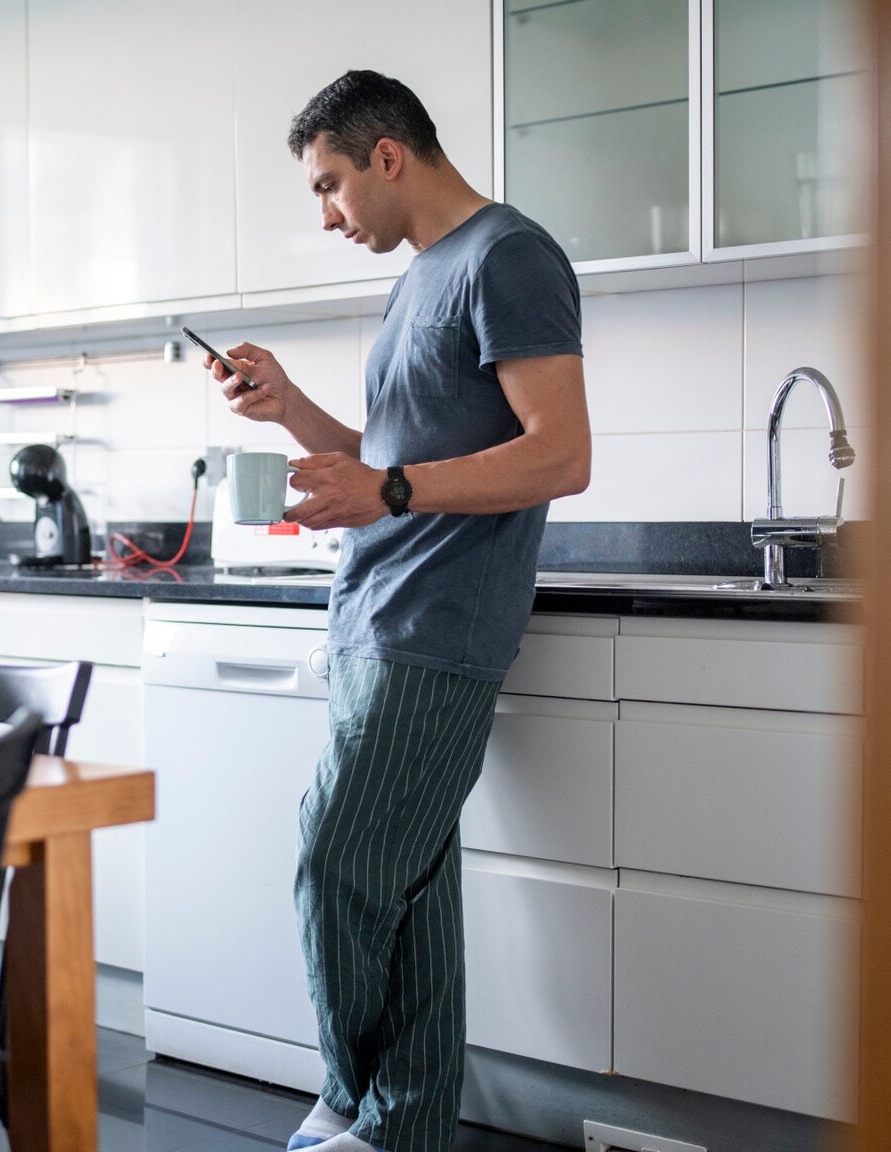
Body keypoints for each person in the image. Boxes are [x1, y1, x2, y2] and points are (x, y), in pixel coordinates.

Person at [205, 70, 591, 1152]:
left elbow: (560, 454)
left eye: (328, 186)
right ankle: (400, 1128)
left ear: (386, 157)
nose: (326, 215)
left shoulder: (507, 256)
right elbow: (390, 462)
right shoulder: (421, 276)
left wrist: (386, 491)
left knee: (333, 862)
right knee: (409, 891)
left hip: (437, 624)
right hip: (376, 612)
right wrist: (288, 410)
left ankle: (344, 1097)